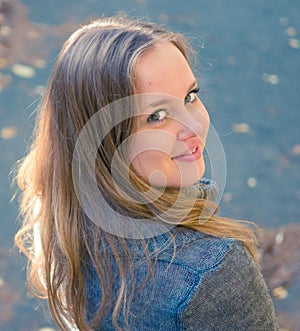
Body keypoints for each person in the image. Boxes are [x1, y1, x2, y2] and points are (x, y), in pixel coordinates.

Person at [15, 16, 279, 330]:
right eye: (156, 116)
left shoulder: (63, 226)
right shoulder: (213, 272)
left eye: (190, 96)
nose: (195, 126)